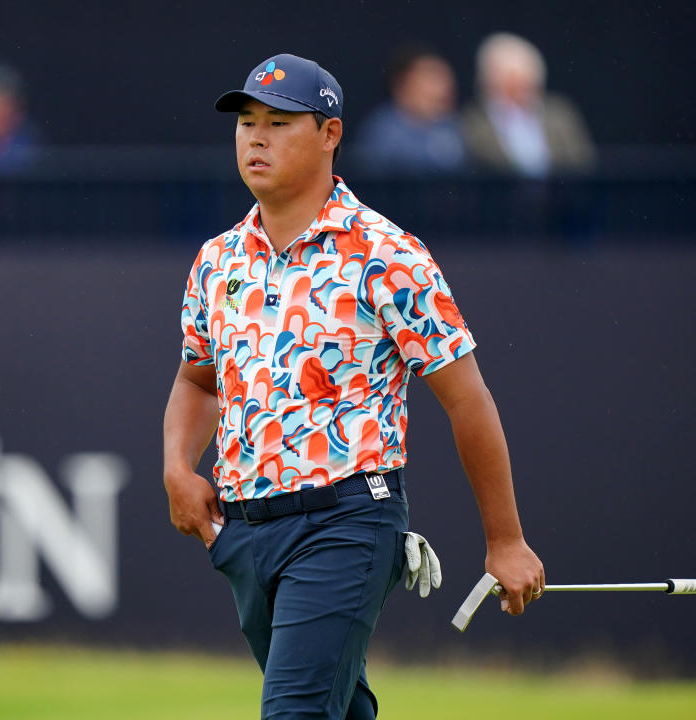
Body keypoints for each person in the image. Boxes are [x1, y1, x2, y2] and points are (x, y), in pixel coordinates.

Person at [162, 53, 545, 719]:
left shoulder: (385, 254)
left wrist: (504, 539)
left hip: (345, 523)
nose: (255, 137)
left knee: (295, 711)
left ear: (329, 135)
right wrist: (176, 468)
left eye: (279, 122)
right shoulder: (215, 261)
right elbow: (198, 380)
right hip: (245, 534)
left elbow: (465, 398)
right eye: (246, 122)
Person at [462, 33, 595, 178]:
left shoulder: (559, 113)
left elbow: (582, 161)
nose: (521, 88)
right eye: (512, 82)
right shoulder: (472, 120)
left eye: (527, 81)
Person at [353, 46, 465, 174]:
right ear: (402, 86)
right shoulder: (383, 132)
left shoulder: (458, 128)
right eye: (432, 80)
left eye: (446, 81)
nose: (442, 90)